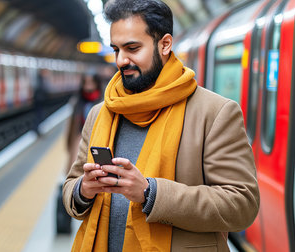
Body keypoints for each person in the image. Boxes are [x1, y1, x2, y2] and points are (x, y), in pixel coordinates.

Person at [62, 0, 260, 251]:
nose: (122, 60)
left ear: (165, 44)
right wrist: (83, 189)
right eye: (116, 50)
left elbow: (242, 205)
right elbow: (71, 188)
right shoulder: (100, 113)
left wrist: (150, 193)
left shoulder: (215, 113)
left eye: (132, 48)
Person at [66, 73, 103, 175]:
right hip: (79, 139)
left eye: (91, 83)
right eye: (86, 83)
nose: (88, 86)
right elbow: (71, 126)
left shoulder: (103, 101)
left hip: (97, 140)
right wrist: (69, 144)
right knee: (77, 170)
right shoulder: (77, 102)